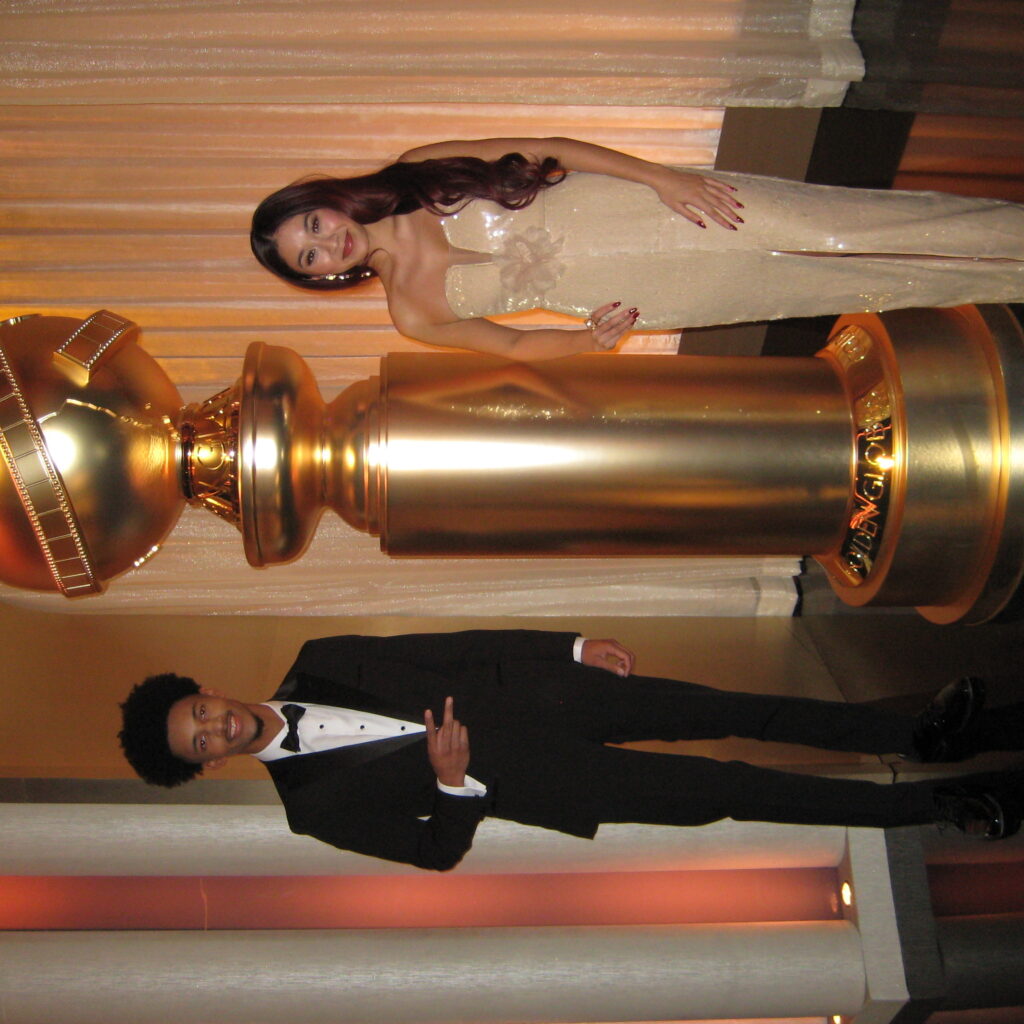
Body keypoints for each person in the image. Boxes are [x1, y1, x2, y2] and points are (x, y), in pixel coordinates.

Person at [119, 629, 1023, 870]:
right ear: (207, 763)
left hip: (556, 691)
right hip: (554, 780)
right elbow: (434, 853)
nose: (213, 724)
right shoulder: (313, 811)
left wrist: (568, 646)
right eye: (198, 741)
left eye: (198, 709)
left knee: (749, 708)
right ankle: (935, 805)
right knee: (737, 785)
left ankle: (923, 736)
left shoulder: (322, 659)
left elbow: (457, 646)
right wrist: (453, 785)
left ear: (206, 690)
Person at [250, 137, 1024, 359]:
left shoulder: (419, 171)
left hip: (665, 210)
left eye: (311, 225)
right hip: (655, 292)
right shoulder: (410, 314)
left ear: (322, 200)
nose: (325, 242)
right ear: (326, 276)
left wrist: (662, 178)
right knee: (834, 289)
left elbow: (550, 147)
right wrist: (587, 343)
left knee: (848, 226)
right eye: (309, 256)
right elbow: (517, 349)